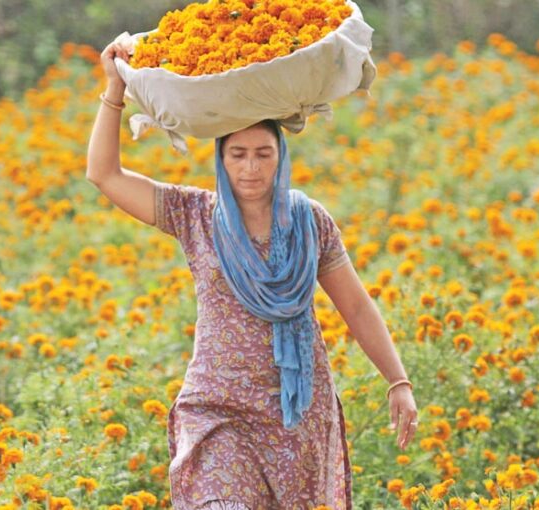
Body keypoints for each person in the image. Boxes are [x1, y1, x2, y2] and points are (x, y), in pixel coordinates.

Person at [87, 37, 419, 510]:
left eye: (263, 153)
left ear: (280, 156)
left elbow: (357, 307)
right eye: (237, 153)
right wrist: (114, 89)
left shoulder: (310, 221)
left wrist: (398, 381)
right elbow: (105, 174)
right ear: (221, 158)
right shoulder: (194, 213)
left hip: (294, 414)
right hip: (217, 410)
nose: (250, 167)